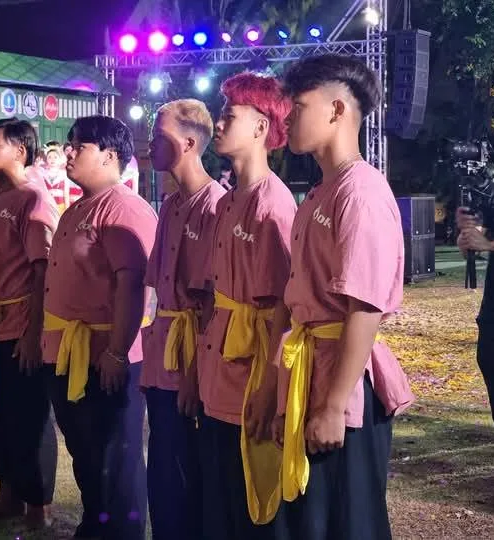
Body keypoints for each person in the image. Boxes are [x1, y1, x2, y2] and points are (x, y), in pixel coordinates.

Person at [273, 53, 415, 539]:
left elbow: (365, 306)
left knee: (350, 525)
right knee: (314, 522)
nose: (287, 118)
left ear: (336, 110)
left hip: (344, 386)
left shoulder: (361, 193)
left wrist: (333, 406)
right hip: (314, 372)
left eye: (298, 106)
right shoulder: (321, 192)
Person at [42, 116, 156, 540]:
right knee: (87, 452)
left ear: (110, 156)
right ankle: (95, 527)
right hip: (72, 354)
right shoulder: (78, 207)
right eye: (69, 144)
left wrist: (116, 352)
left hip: (106, 355)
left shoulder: (124, 207)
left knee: (115, 458)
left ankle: (121, 533)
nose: (68, 152)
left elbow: (132, 284)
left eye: (79, 145)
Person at [195, 72, 295, 539]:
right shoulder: (227, 202)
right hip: (219, 373)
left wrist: (269, 388)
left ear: (260, 127)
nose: (218, 124)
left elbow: (282, 309)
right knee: (220, 502)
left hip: (251, 379)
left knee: (254, 505)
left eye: (229, 116)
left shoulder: (273, 206)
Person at [0, 118, 58, 526]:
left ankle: (38, 504)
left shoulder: (33, 199)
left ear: (20, 151)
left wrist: (34, 333)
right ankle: (9, 494)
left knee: (28, 416)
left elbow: (43, 270)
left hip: (18, 327)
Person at [141, 99, 225, 540]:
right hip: (163, 357)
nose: (150, 145)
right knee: (163, 467)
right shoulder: (171, 205)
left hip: (193, 362)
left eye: (160, 137)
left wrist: (194, 375)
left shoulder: (216, 206)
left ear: (190, 143)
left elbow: (211, 302)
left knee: (189, 469)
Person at [457, 197, 494, 432]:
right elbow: (475, 246)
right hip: (493, 313)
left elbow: (489, 243)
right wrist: (468, 236)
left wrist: (489, 244)